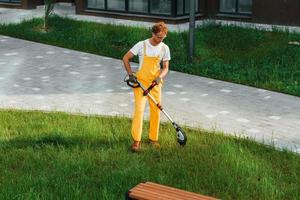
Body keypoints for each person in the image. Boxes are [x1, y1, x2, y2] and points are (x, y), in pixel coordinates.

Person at [123, 22, 171, 152]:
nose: (159, 40)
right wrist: (130, 74)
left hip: (155, 84)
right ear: (153, 34)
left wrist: (160, 76)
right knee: (139, 110)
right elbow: (126, 58)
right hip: (141, 83)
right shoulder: (141, 45)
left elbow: (166, 68)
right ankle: (136, 141)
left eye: (162, 38)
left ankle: (153, 139)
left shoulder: (164, 48)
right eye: (157, 37)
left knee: (156, 111)